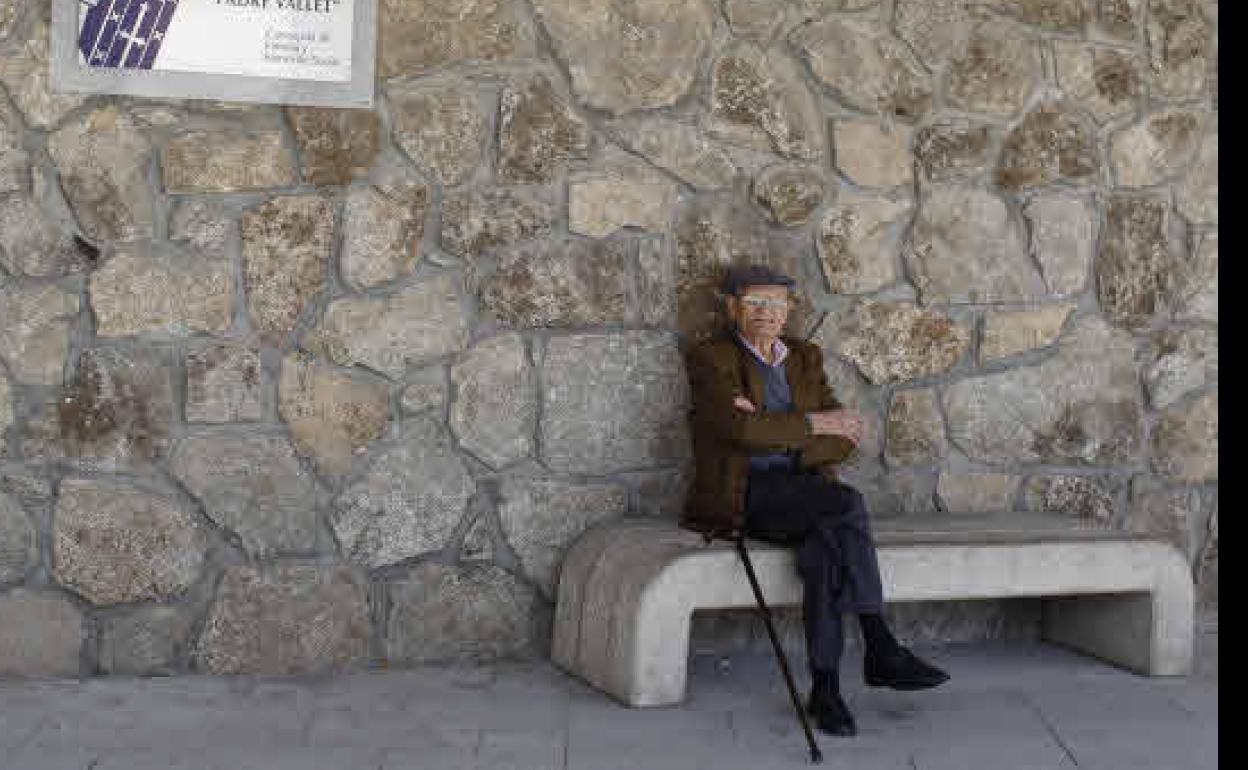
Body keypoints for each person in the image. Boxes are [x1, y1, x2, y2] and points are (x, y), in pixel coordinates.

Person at [682, 264, 949, 736]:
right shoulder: (711, 358)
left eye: (776, 303)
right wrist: (811, 425)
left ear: (790, 309)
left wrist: (776, 429)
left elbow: (845, 439)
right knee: (845, 504)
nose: (766, 313)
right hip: (746, 494)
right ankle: (878, 641)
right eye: (755, 303)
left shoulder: (804, 357)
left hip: (806, 493)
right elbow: (741, 431)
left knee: (825, 553)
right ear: (733, 307)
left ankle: (826, 691)